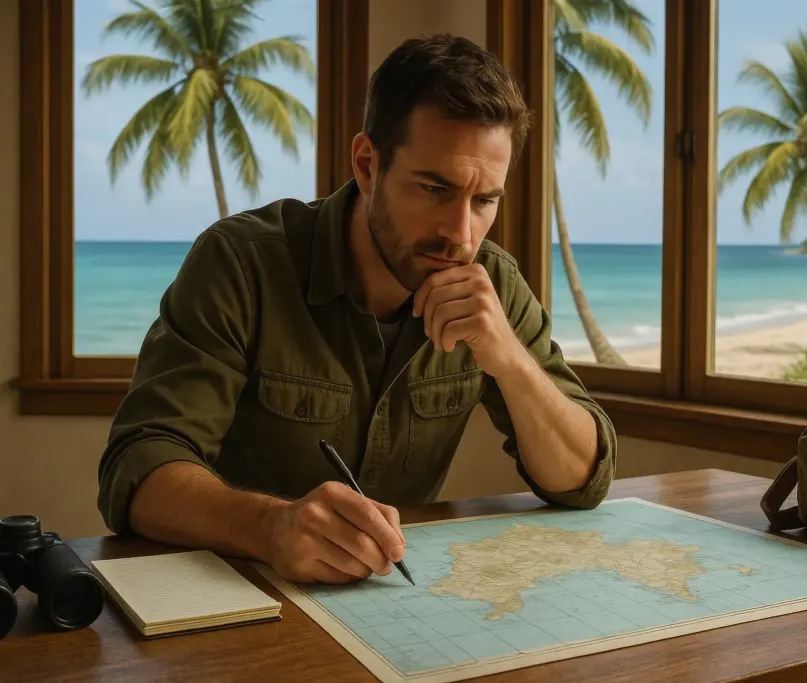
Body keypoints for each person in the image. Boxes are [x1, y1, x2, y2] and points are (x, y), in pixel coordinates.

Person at [96, 34, 617, 585]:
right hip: (236, 599)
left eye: (485, 200)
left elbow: (584, 477)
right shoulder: (241, 264)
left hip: (394, 615)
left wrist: (510, 360)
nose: (460, 234)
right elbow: (137, 468)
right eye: (435, 188)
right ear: (367, 165)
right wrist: (270, 528)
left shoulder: (495, 286)